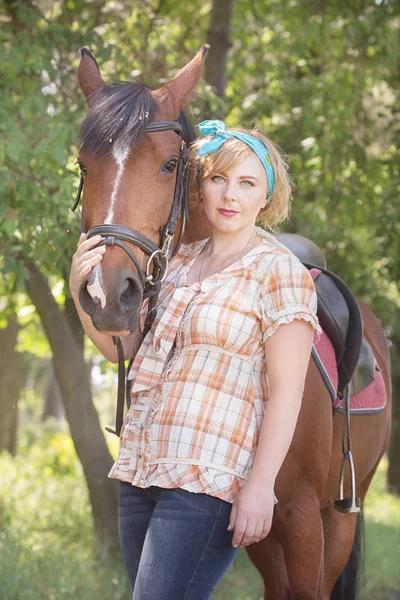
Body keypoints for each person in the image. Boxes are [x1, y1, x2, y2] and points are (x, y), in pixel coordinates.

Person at [70, 120, 322, 599]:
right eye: (219, 179)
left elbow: (289, 392)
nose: (230, 195)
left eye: (248, 183)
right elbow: (126, 350)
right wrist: (80, 295)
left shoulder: (280, 273)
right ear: (200, 186)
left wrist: (260, 486)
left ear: (266, 198)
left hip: (206, 481)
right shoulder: (174, 264)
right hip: (142, 470)